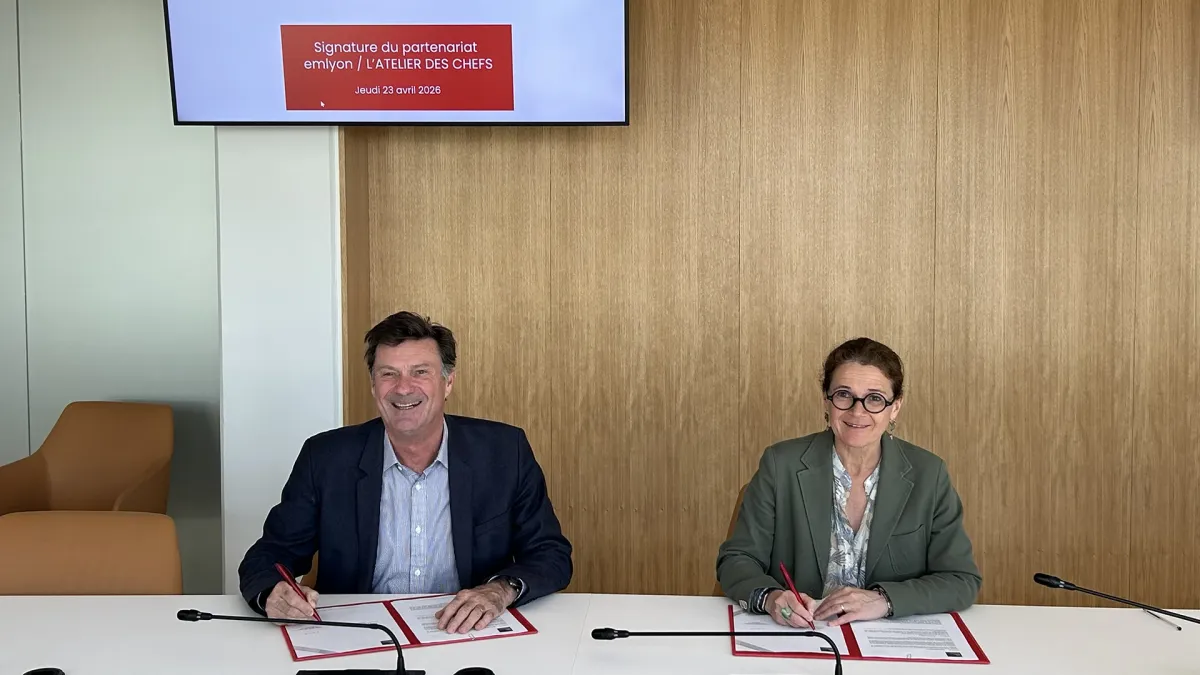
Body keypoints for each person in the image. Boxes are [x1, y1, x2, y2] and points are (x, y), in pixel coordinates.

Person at [238, 311, 572, 633]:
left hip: (467, 634)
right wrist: (272, 593)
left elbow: (550, 554)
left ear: (448, 382)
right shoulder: (325, 457)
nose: (403, 388)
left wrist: (500, 590)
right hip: (358, 634)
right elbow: (270, 554)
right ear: (373, 386)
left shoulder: (503, 451)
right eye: (389, 374)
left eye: (420, 372)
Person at [716, 337, 980, 627]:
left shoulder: (929, 474)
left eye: (875, 399)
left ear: (895, 407)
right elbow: (737, 560)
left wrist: (884, 600)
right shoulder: (781, 464)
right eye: (844, 395)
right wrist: (770, 597)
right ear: (826, 400)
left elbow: (961, 579)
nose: (857, 411)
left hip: (890, 645)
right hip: (802, 636)